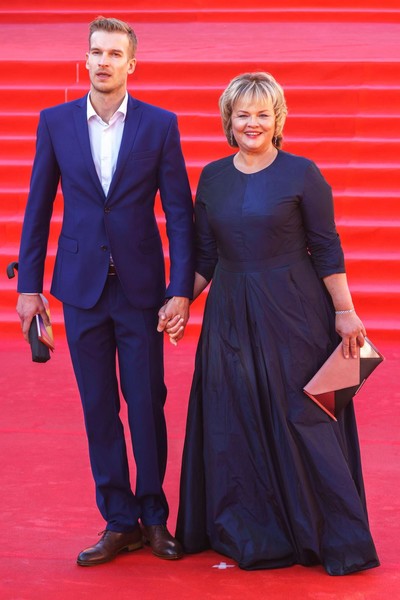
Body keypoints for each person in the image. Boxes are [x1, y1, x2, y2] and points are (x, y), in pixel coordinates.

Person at [168, 72, 380, 575]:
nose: (253, 123)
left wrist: (345, 311)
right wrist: (180, 300)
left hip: (294, 311)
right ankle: (252, 531)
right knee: (235, 419)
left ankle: (324, 535)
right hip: (230, 317)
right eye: (243, 114)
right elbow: (206, 255)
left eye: (263, 114)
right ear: (229, 120)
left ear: (278, 119)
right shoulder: (212, 177)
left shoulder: (303, 173)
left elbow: (326, 247)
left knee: (303, 417)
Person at [16, 16, 194, 566]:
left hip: (141, 291)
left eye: (115, 53)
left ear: (131, 64)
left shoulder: (160, 125)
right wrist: (29, 286)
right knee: (98, 407)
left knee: (146, 403)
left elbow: (180, 215)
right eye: (96, 51)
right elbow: (38, 207)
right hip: (81, 289)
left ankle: (154, 516)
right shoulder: (56, 122)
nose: (103, 61)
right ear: (86, 58)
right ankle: (119, 521)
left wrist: (180, 289)